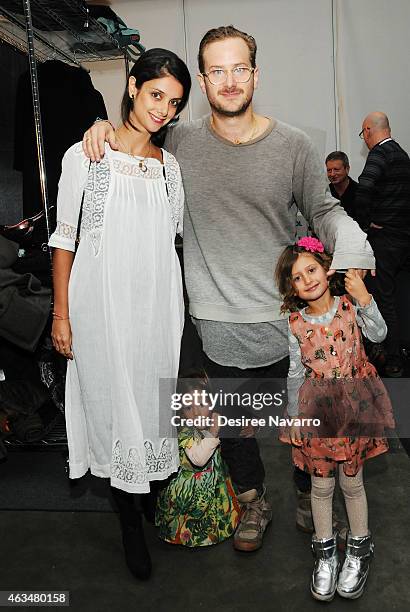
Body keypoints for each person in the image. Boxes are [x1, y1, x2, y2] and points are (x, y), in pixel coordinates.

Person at [81, 25, 375, 553]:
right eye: (217, 70)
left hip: (291, 322)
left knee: (310, 419)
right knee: (236, 427)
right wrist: (99, 125)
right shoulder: (180, 141)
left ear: (256, 75)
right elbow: (135, 136)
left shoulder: (294, 145)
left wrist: (354, 252)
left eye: (240, 68)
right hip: (217, 324)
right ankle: (253, 500)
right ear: (203, 79)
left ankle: (312, 489)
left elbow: (325, 209)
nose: (230, 80)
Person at [49, 48, 191, 580]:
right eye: (156, 95)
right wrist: (61, 315)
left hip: (155, 306)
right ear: (132, 86)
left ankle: (147, 498)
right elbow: (65, 240)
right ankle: (129, 519)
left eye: (174, 103)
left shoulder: (171, 168)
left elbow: (168, 242)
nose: (163, 110)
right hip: (100, 306)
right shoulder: (84, 154)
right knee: (113, 409)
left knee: (151, 409)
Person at [275, 237, 394, 601]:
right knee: (321, 487)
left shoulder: (349, 306)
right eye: (297, 277)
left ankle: (359, 550)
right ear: (291, 287)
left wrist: (365, 299)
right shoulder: (294, 324)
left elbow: (380, 334)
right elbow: (295, 373)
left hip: (356, 409)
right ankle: (324, 554)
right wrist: (294, 417)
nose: (307, 279)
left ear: (327, 269)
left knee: (352, 484)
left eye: (311, 269)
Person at [156, 370, 240, 546]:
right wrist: (213, 432)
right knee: (192, 519)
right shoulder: (185, 432)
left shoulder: (211, 422)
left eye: (202, 403)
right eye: (188, 407)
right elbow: (199, 459)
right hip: (190, 495)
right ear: (180, 411)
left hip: (213, 486)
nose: (196, 412)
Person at [357, 111, 410, 377]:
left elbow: (364, 187)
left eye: (363, 133)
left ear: (368, 130)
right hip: (404, 239)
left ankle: (393, 357)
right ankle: (403, 347)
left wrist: (368, 222)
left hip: (386, 239)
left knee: (384, 298)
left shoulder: (379, 154)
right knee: (402, 295)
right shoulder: (402, 155)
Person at [326, 151, 359, 223]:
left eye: (336, 170)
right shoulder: (325, 194)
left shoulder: (360, 192)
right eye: (329, 170)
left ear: (347, 169)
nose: (332, 174)